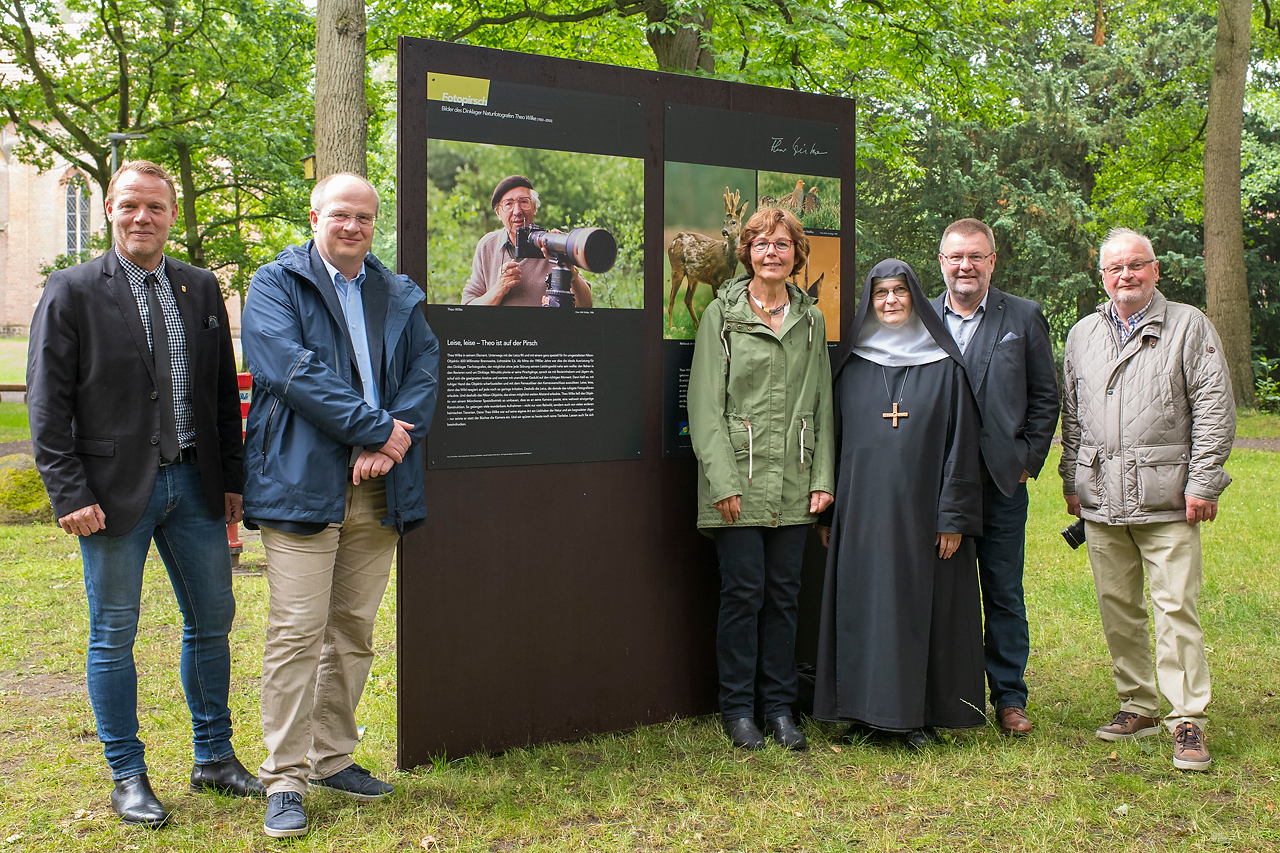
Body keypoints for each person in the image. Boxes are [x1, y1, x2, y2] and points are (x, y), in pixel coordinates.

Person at [27, 160, 260, 828]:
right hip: (108, 492)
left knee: (212, 620)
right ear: (108, 209)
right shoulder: (70, 290)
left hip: (192, 481)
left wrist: (232, 480)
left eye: (156, 207)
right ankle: (127, 773)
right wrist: (68, 490)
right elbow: (48, 404)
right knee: (113, 633)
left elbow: (220, 392)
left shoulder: (199, 287)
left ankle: (214, 755)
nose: (142, 218)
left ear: (172, 214)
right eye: (130, 205)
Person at [241, 172, 439, 837]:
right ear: (314, 216)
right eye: (340, 215)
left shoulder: (396, 292)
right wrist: (373, 428)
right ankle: (285, 776)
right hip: (302, 482)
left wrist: (391, 441)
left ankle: (333, 757)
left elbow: (424, 369)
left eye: (363, 217)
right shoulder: (275, 284)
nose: (352, 226)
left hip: (378, 485)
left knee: (352, 626)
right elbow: (291, 372)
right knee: (297, 629)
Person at [1059, 227, 1235, 772]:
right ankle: (1137, 705)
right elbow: (1074, 413)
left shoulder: (1188, 325)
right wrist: (1071, 477)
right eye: (1115, 268)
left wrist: (1203, 482)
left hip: (1167, 497)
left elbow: (1214, 407)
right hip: (1101, 497)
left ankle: (1188, 721)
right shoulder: (1082, 333)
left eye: (1136, 265)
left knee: (1175, 607)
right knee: (1118, 607)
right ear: (1102, 275)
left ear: (1155, 270)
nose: (1126, 276)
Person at [813, 259, 985, 749]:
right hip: (861, 515)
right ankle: (863, 713)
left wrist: (952, 517)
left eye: (900, 292)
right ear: (869, 300)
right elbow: (833, 442)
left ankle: (917, 717)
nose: (890, 301)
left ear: (915, 298)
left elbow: (961, 447)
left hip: (922, 519)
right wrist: (827, 514)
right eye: (881, 293)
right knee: (863, 605)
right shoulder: (851, 365)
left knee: (917, 610)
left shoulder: (945, 367)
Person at [688, 207, 834, 751]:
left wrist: (822, 478)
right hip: (739, 481)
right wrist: (723, 482)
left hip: (795, 480)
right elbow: (704, 406)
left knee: (785, 596)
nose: (771, 252)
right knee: (744, 593)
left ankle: (779, 707)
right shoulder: (720, 318)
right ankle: (738, 710)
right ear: (746, 252)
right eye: (760, 244)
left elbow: (821, 402)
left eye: (782, 244)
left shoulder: (811, 320)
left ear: (796, 255)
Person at [931, 219, 1060, 736]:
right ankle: (945, 693)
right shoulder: (920, 319)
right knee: (944, 589)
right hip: (938, 484)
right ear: (941, 260)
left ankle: (1009, 697)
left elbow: (1046, 396)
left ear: (992, 262)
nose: (965, 266)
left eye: (975, 257)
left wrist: (1027, 461)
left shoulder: (1023, 317)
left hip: (1002, 482)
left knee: (1003, 590)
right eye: (956, 256)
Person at [461, 175, 594, 307]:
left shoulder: (551, 244)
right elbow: (468, 305)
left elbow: (586, 305)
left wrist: (570, 270)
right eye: (508, 204)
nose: (517, 211)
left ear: (534, 208)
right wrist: (499, 289)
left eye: (523, 202)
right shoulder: (487, 246)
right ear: (498, 213)